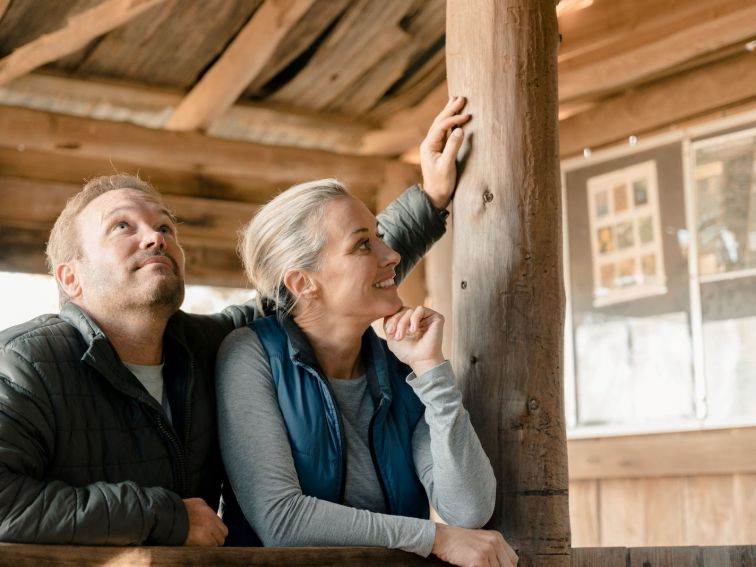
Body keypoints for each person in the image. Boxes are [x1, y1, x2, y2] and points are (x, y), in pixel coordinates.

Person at [0, 98, 469, 546]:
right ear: (70, 277)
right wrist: (164, 517)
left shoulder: (208, 345)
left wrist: (429, 199)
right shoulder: (26, 362)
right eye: (123, 226)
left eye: (165, 227)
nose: (155, 238)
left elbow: (329, 282)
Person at [216, 193, 518, 562]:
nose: (391, 255)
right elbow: (281, 519)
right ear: (302, 282)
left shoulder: (400, 370)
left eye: (380, 236)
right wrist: (434, 538)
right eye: (363, 244)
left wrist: (430, 370)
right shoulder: (251, 355)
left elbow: (468, 508)